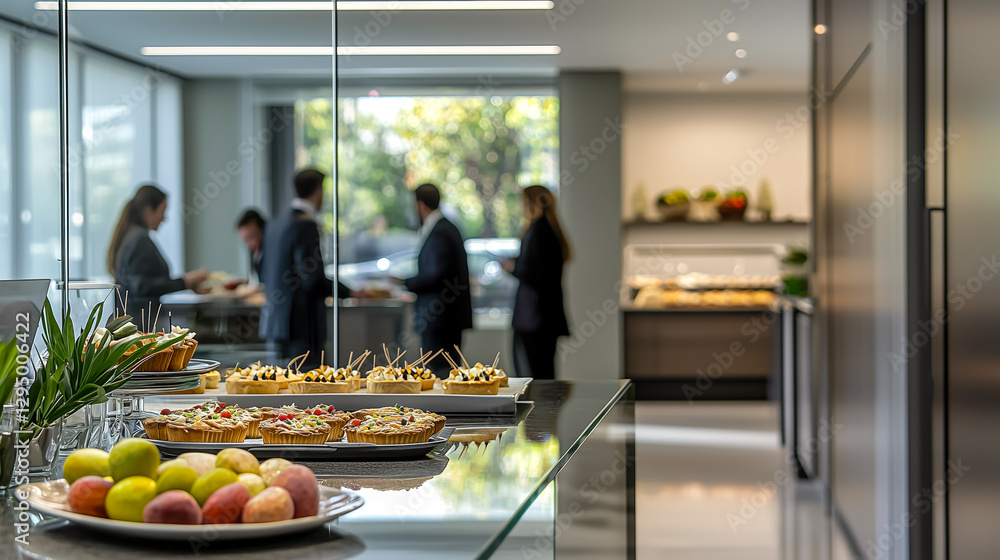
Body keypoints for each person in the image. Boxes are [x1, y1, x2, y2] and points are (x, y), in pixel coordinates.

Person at [259, 169, 350, 370]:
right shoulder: (305, 226)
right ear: (319, 191)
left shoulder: (275, 224)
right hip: (301, 324)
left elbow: (263, 272)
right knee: (307, 389)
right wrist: (349, 292)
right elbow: (312, 279)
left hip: (275, 322)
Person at [108, 184, 209, 320]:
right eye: (162, 211)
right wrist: (186, 281)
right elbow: (142, 287)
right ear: (149, 210)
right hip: (140, 322)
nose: (164, 218)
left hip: (133, 319)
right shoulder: (139, 239)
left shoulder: (131, 235)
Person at [403, 183, 473, 377]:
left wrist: (405, 283)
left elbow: (436, 275)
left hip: (441, 319)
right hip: (443, 318)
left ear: (419, 205)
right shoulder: (445, 228)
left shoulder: (440, 231)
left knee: (440, 376)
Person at [502, 185, 571, 379]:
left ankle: (544, 411)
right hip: (541, 318)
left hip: (535, 318)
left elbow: (536, 273)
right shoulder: (548, 230)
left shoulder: (539, 231)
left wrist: (513, 268)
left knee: (536, 376)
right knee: (541, 372)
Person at [236, 209, 266, 284]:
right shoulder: (254, 252)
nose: (250, 244)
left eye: (252, 237)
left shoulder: (272, 252)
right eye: (246, 240)